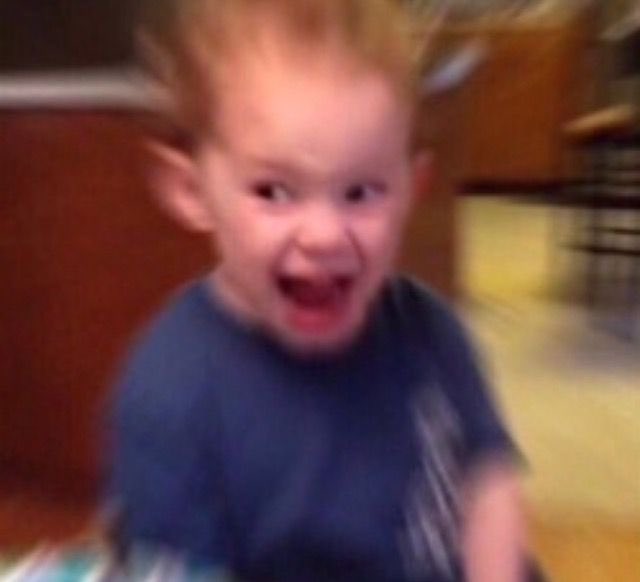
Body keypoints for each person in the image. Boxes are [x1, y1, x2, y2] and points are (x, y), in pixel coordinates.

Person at [106, 1, 529, 580]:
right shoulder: (170, 396)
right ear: (191, 190)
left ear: (413, 188)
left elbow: (488, 481)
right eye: (274, 192)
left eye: (362, 192)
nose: (325, 235)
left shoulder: (431, 332)